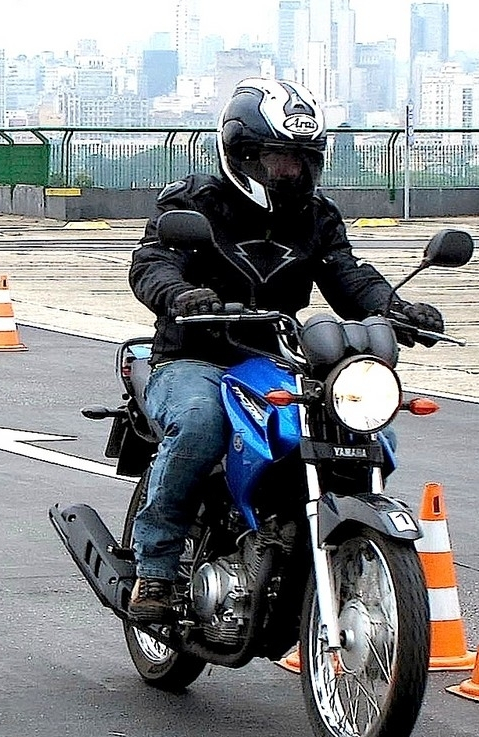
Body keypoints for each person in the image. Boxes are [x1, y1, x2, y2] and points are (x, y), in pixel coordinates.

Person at [126, 77, 444, 622]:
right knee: (201, 425)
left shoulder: (316, 216)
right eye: (277, 158)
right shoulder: (193, 202)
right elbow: (152, 265)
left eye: (301, 160)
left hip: (278, 359)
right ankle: (154, 570)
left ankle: (317, 546)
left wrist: (395, 308)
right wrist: (182, 295)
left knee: (366, 427)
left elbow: (348, 277)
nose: (290, 172)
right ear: (241, 153)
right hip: (194, 358)